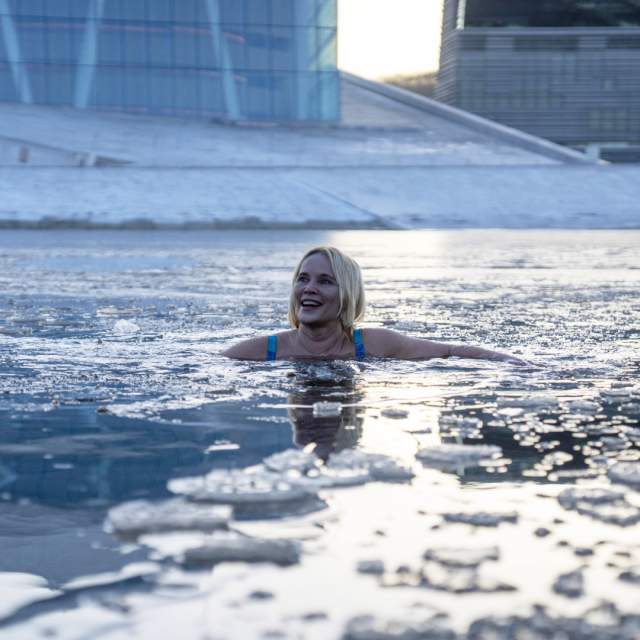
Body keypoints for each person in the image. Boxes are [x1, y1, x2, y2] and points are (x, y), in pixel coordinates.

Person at [222, 246, 528, 364]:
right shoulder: (263, 351)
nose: (309, 289)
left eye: (325, 281)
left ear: (349, 294)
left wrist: (516, 363)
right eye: (303, 279)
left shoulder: (372, 343)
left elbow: (449, 351)